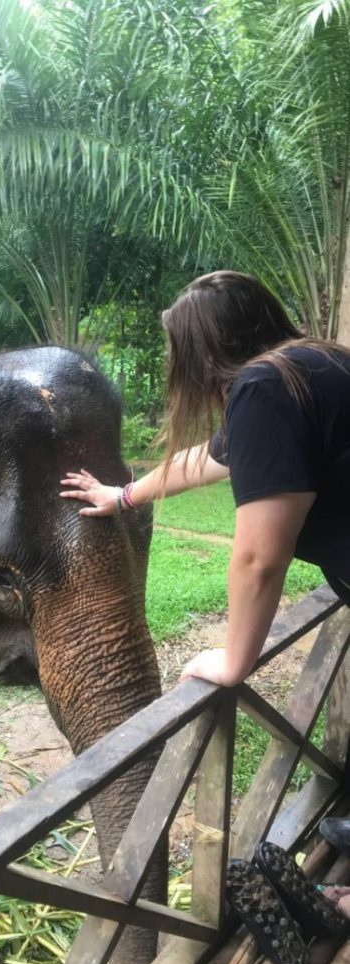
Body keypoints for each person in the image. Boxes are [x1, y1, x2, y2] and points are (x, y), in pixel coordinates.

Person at [61, 271, 350, 916]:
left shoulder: (266, 388)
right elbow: (213, 458)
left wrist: (233, 659)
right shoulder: (313, 364)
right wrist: (123, 495)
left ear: (201, 351)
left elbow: (256, 556)